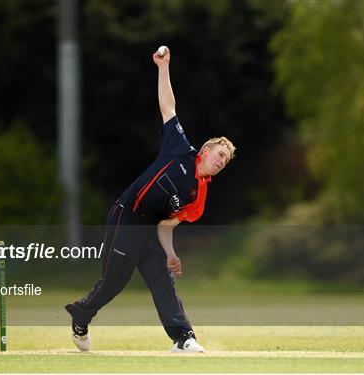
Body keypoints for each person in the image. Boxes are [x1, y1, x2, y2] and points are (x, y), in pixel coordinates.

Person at [65, 47, 236, 353]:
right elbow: (168, 106)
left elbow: (167, 226)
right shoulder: (179, 148)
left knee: (163, 282)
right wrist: (163, 66)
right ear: (206, 151)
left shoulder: (198, 197)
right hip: (126, 217)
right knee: (114, 282)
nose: (222, 161)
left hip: (152, 231)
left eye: (226, 161)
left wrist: (171, 254)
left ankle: (184, 338)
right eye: (220, 155)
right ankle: (81, 315)